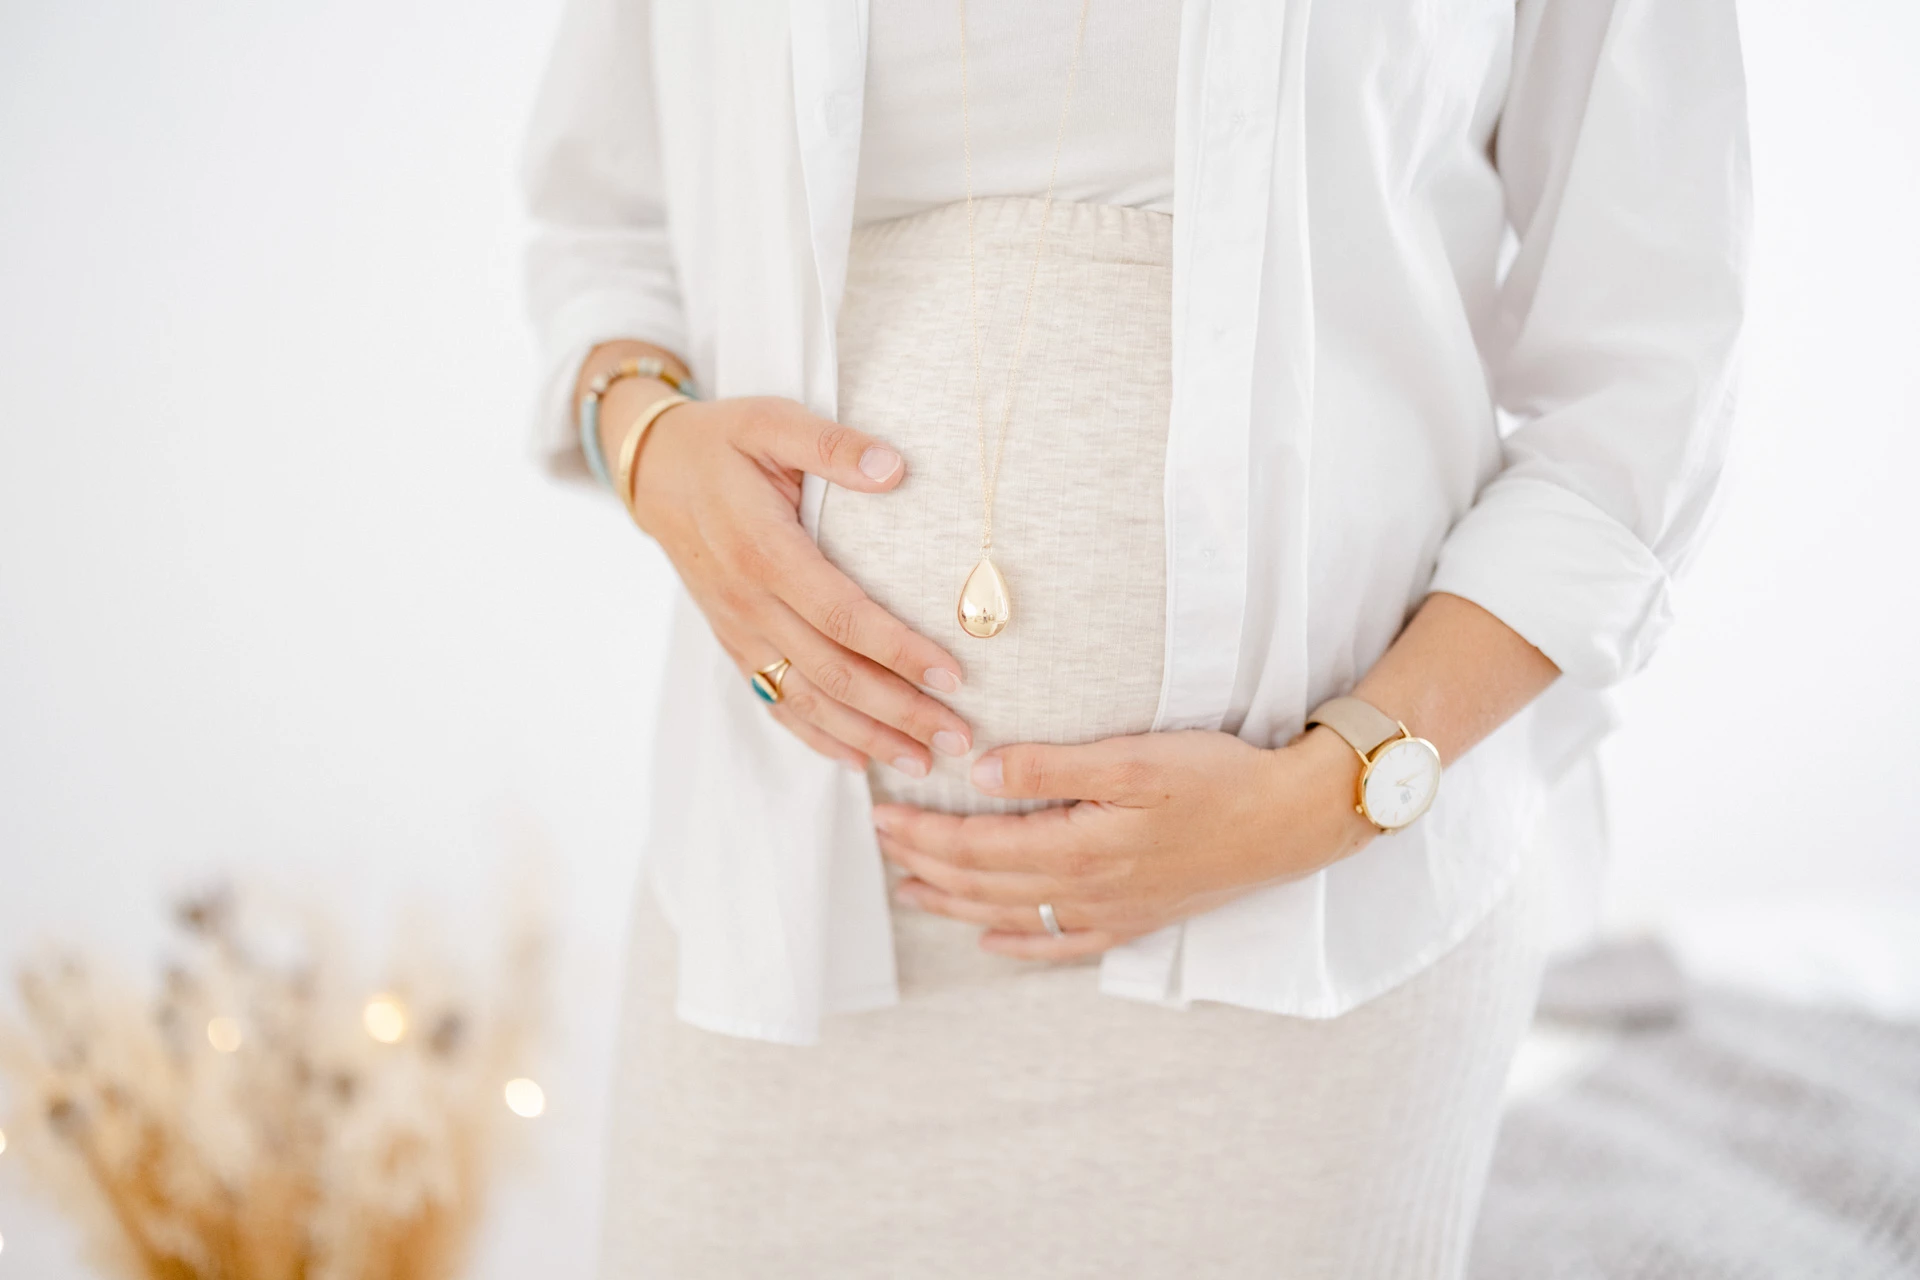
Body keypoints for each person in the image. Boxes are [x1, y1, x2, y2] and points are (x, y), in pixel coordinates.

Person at [520, 1, 1749, 1275]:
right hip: (788, 906)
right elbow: (601, 226)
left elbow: (1645, 380)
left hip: (1307, 949)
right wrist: (647, 440)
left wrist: (1332, 792)